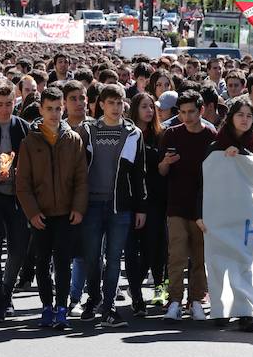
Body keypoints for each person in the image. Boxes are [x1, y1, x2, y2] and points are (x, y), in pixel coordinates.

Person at [15, 86, 88, 329]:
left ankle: (62, 308)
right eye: (49, 109)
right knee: (42, 261)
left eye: (58, 109)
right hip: (41, 214)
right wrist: (32, 212)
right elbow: (23, 184)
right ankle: (47, 306)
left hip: (66, 213)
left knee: (63, 263)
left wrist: (78, 207)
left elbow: (81, 179)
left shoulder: (73, 139)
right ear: (41, 110)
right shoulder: (29, 141)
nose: (54, 114)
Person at [79, 84, 148, 328]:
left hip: (120, 206)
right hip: (91, 203)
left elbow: (139, 173)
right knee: (91, 257)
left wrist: (141, 207)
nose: (116, 108)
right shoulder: (88, 130)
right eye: (111, 103)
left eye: (120, 103)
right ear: (101, 105)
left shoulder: (133, 133)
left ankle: (109, 307)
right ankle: (94, 298)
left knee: (114, 258)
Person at [208, 97, 253, 332]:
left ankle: (244, 311)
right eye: (240, 115)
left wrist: (242, 154)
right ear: (231, 117)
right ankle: (221, 310)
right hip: (219, 213)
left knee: (243, 263)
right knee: (219, 263)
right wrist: (200, 214)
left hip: (248, 212)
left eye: (249, 116)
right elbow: (203, 181)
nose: (244, 119)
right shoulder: (216, 145)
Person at [159, 90, 216, 322]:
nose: (187, 117)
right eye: (182, 112)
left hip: (203, 206)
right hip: (176, 204)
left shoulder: (211, 135)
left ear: (201, 110)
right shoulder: (171, 134)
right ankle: (174, 301)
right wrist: (166, 162)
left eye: (191, 111)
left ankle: (196, 300)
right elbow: (161, 171)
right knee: (177, 256)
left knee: (199, 258)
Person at [0, 81, 30, 323]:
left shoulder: (23, 127)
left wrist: (21, 173)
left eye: (9, 104)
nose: (4, 109)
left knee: (18, 249)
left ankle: (6, 291)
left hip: (18, 196)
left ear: (15, 103)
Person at [125, 92, 168, 317]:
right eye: (144, 106)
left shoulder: (161, 135)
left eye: (152, 106)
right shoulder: (128, 134)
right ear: (135, 109)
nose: (149, 111)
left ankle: (155, 287)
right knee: (133, 250)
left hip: (156, 199)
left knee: (154, 248)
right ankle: (136, 295)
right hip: (132, 199)